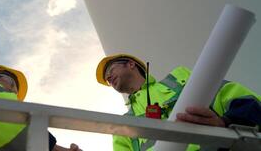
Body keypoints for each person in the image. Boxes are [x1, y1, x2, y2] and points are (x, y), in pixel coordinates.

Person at [96, 54, 261, 151]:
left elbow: (243, 100)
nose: (109, 78)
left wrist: (227, 122)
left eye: (110, 70)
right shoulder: (122, 126)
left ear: (131, 64)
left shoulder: (179, 78)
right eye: (107, 80)